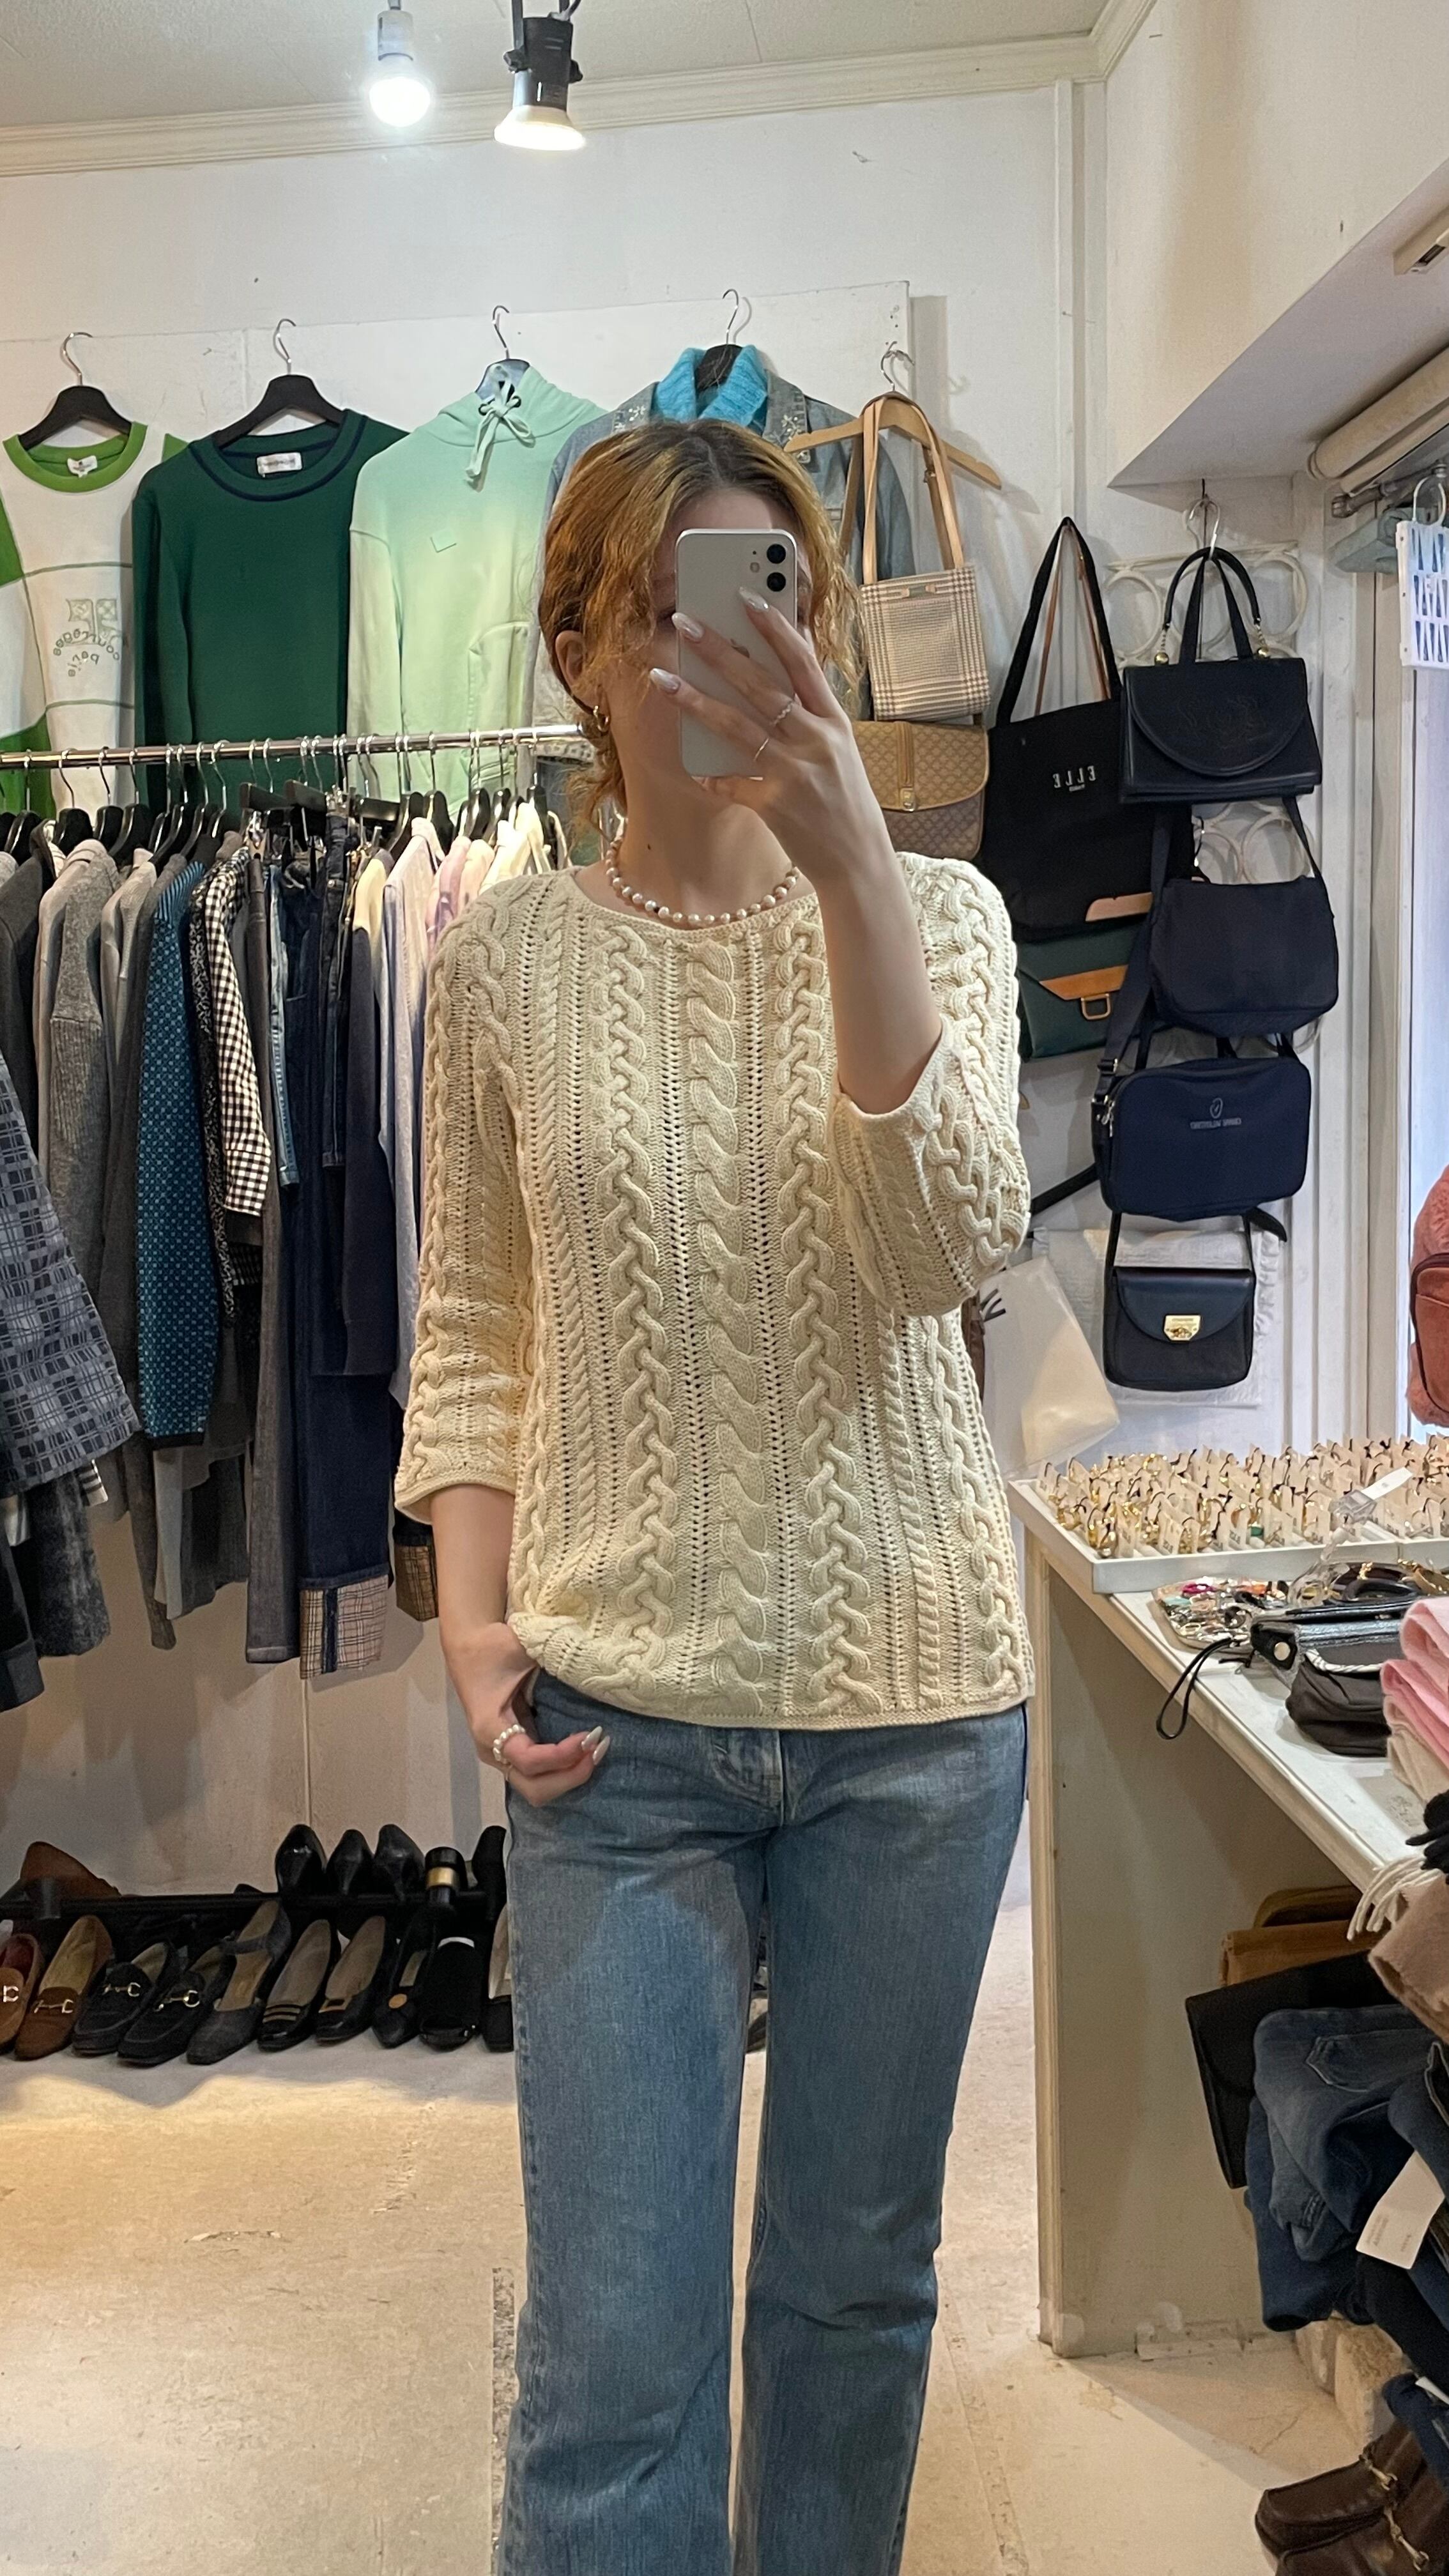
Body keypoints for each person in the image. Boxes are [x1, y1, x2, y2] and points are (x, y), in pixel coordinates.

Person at [395, 416, 1034, 2576]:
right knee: (612, 2352)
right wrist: (470, 1619)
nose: (723, 653)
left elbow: (944, 1250)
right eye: (666, 608)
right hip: (619, 1733)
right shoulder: (502, 963)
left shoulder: (946, 920)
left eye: (771, 600)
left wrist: (852, 873)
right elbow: (475, 1320)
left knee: (850, 2303)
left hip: (914, 1725)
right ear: (580, 650)